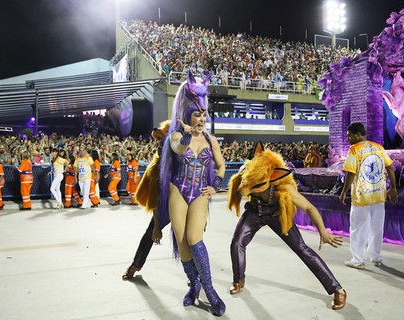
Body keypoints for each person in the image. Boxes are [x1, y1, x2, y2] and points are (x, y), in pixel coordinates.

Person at [228, 142, 346, 310]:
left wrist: (323, 232)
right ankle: (238, 280)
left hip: (278, 217)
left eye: (255, 185)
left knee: (302, 249)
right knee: (237, 243)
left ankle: (337, 289)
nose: (245, 188)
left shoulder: (284, 188)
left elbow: (309, 208)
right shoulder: (247, 175)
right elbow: (241, 187)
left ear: (271, 179)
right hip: (255, 212)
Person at [159, 71, 226, 316]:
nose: (201, 118)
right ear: (187, 115)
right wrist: (187, 133)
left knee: (194, 238)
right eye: (197, 114)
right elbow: (179, 148)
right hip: (178, 190)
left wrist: (216, 185)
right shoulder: (177, 135)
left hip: (199, 192)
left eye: (204, 113)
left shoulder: (211, 140)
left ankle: (209, 290)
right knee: (182, 244)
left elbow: (221, 166)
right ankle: (193, 285)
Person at [340, 122, 397, 269]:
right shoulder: (378, 147)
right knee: (377, 226)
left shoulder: (355, 149)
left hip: (361, 196)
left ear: (358, 134)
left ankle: (357, 260)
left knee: (358, 227)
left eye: (350, 136)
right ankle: (376, 256)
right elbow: (390, 168)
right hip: (378, 194)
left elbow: (351, 173)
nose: (348, 139)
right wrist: (393, 188)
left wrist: (344, 191)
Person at [122, 120, 171, 280]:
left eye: (164, 141)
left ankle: (195, 275)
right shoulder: (158, 169)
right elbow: (156, 199)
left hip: (185, 204)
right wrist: (157, 227)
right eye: (160, 142)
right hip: (165, 205)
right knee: (150, 233)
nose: (159, 146)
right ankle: (136, 265)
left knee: (190, 239)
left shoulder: (186, 160)